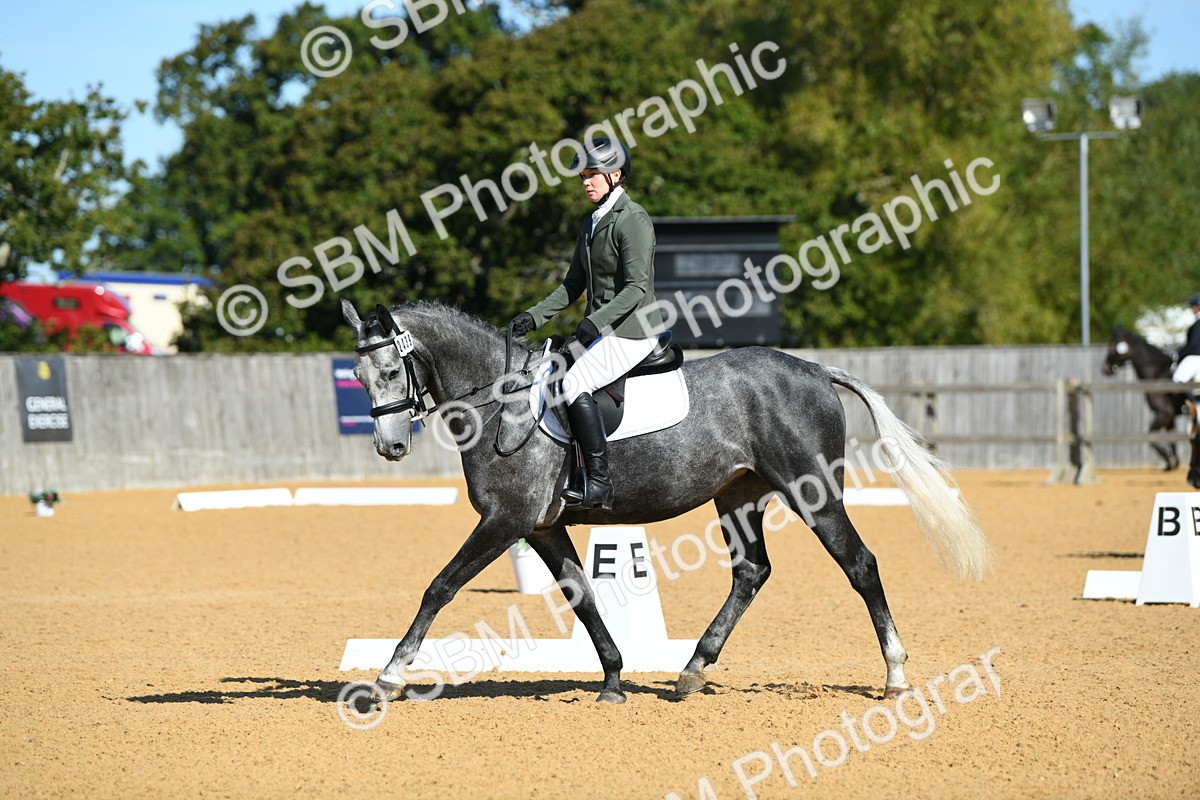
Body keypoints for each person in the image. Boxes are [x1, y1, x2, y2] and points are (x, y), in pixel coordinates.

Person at [509, 138, 665, 510]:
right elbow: (572, 285)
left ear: (614, 175)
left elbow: (637, 286)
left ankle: (599, 481)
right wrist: (534, 315)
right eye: (583, 176)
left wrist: (595, 322)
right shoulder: (591, 222)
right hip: (604, 329)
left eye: (592, 175)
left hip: (633, 330)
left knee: (574, 381)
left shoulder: (633, 220)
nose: (585, 182)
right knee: (549, 372)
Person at [1173, 293, 1200, 396]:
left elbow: (1194, 344)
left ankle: (1189, 404)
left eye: (1193, 306)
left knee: (1178, 379)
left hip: (1195, 357)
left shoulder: (1198, 324)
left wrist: (1179, 354)